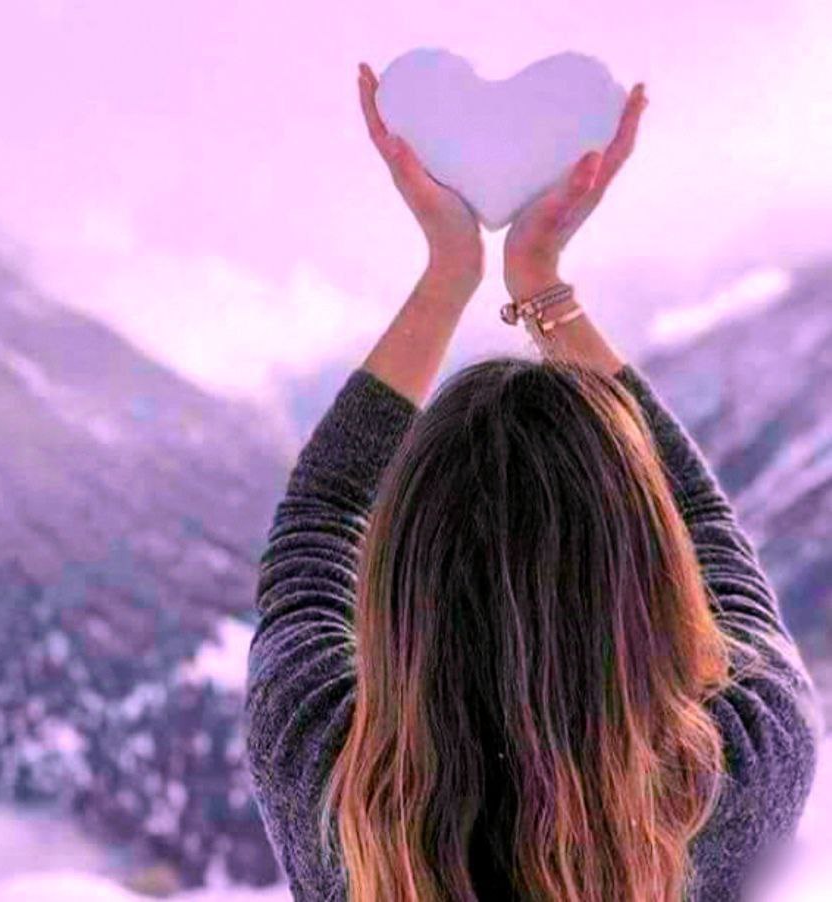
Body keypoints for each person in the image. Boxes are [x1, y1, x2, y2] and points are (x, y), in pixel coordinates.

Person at [243, 62, 824, 901]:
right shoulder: (730, 784)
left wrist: (450, 272)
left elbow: (320, 518)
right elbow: (703, 523)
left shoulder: (332, 796)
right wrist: (541, 284)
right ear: (649, 579)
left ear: (403, 589)